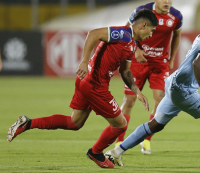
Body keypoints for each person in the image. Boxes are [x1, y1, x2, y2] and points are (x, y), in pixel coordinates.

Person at [7, 9, 158, 169]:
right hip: (94, 84)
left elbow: (125, 71)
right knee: (120, 125)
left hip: (86, 82)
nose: (151, 35)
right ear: (143, 25)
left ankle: (27, 123)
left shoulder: (131, 45)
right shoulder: (123, 33)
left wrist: (138, 92)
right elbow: (93, 34)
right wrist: (84, 61)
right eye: (152, 30)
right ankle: (96, 152)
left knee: (74, 123)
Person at [105, 6, 200, 166]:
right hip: (185, 91)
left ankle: (115, 152)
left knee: (154, 125)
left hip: (174, 85)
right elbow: (197, 63)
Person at [116, 0, 183, 155]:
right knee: (129, 101)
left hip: (160, 65)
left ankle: (146, 140)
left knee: (160, 104)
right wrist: (137, 49)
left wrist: (172, 59)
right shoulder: (142, 10)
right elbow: (127, 28)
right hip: (138, 62)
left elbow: (177, 36)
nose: (167, 2)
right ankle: (119, 140)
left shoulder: (177, 16)